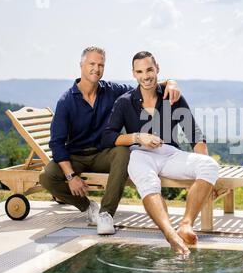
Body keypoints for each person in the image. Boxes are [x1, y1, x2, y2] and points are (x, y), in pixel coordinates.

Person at [39, 46, 181, 235]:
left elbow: (145, 84)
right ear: (81, 65)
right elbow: (56, 143)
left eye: (101, 65)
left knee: (123, 152)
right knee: (46, 176)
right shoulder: (66, 101)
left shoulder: (112, 91)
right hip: (75, 157)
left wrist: (171, 82)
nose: (96, 69)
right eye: (92, 64)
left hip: (104, 154)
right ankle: (89, 208)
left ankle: (106, 214)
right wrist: (71, 177)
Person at [101, 51, 219, 255]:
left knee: (209, 165)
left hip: (170, 154)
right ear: (134, 74)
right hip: (140, 154)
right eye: (139, 71)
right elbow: (108, 137)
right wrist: (138, 137)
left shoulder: (172, 96)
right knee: (149, 183)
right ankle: (170, 234)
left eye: (149, 69)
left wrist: (208, 180)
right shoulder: (124, 102)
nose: (145, 76)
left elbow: (193, 133)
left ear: (157, 69)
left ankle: (186, 224)